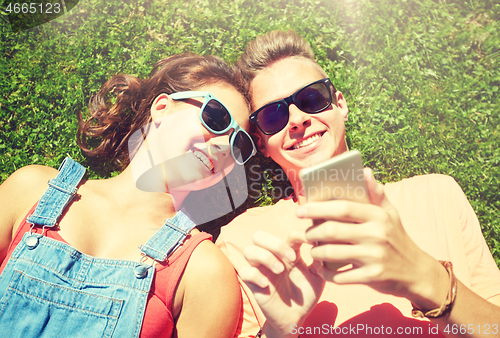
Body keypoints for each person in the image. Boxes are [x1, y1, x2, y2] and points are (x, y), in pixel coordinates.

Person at [216, 30, 500, 338]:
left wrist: (424, 277)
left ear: (340, 104)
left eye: (312, 98)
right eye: (273, 116)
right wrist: (275, 332)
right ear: (262, 144)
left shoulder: (437, 196)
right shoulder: (243, 242)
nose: (297, 119)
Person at [0, 54, 257, 337]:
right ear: (162, 108)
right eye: (216, 118)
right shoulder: (31, 189)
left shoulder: (204, 271)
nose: (222, 146)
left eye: (238, 144)